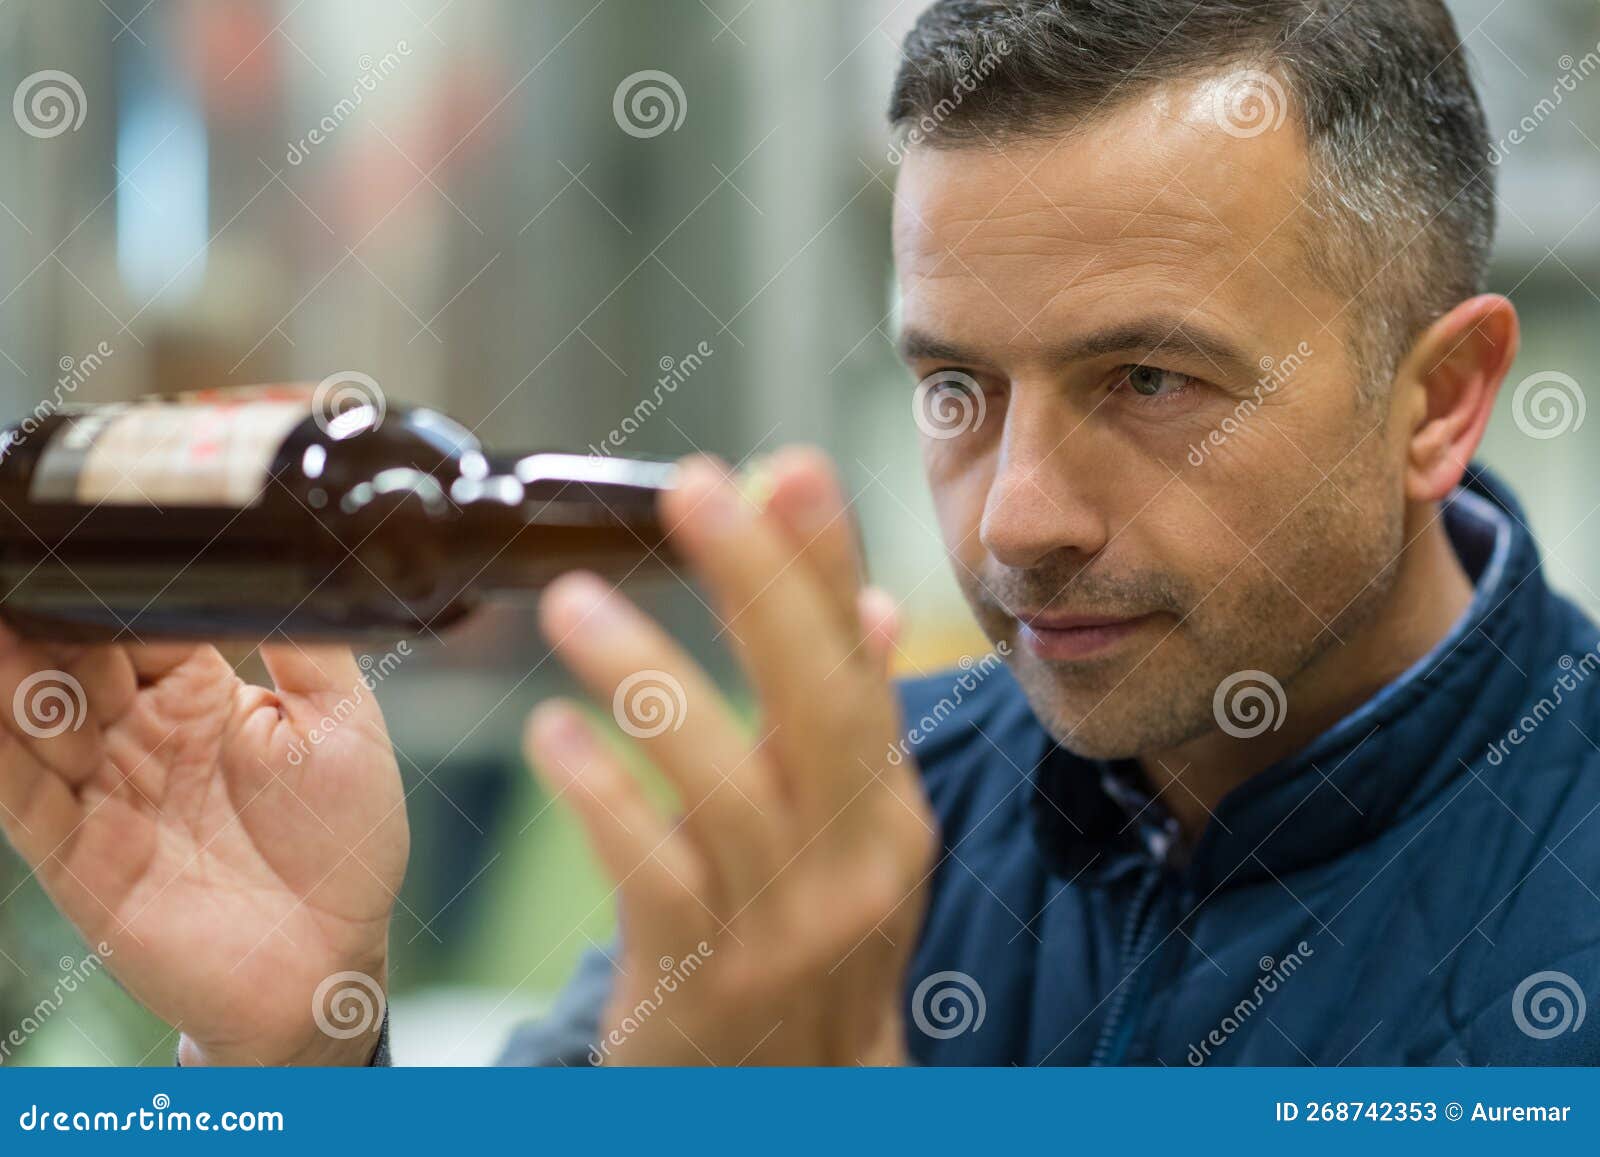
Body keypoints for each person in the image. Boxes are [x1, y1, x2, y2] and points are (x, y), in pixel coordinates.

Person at [2, 0, 1596, 1067]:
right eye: (957, 386)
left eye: (1151, 381)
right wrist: (302, 1055)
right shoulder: (841, 823)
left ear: (1440, 399)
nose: (1018, 519)